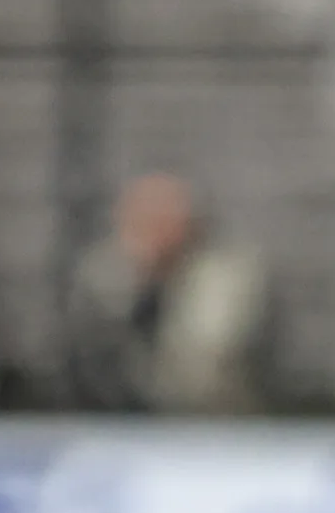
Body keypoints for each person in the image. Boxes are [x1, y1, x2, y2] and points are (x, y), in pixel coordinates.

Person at [64, 173, 268, 415]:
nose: (152, 232)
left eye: (162, 219)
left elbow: (203, 369)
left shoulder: (229, 275)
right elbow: (87, 354)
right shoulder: (105, 272)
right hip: (114, 422)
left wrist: (157, 288)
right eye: (141, 220)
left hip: (211, 424)